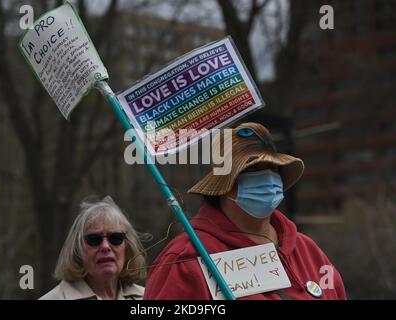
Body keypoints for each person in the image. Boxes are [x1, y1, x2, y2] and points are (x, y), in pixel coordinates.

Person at [144, 122, 346, 300]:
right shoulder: (186, 259)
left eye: (273, 168)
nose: (267, 178)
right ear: (223, 185)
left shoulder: (307, 251)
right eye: (252, 169)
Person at [40, 196, 147, 300]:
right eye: (94, 239)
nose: (105, 246)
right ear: (77, 250)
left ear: (127, 247)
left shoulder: (150, 296)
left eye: (115, 238)